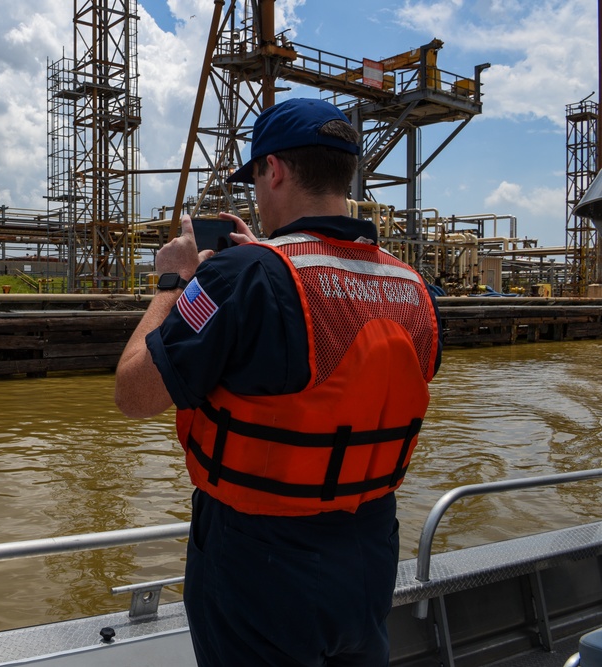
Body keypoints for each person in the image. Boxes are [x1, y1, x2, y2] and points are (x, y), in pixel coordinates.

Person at [114, 97, 442, 666]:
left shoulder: (242, 276)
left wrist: (175, 280)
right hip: (368, 554)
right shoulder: (413, 287)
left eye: (258, 177)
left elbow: (135, 393)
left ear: (276, 170)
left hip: (259, 563)